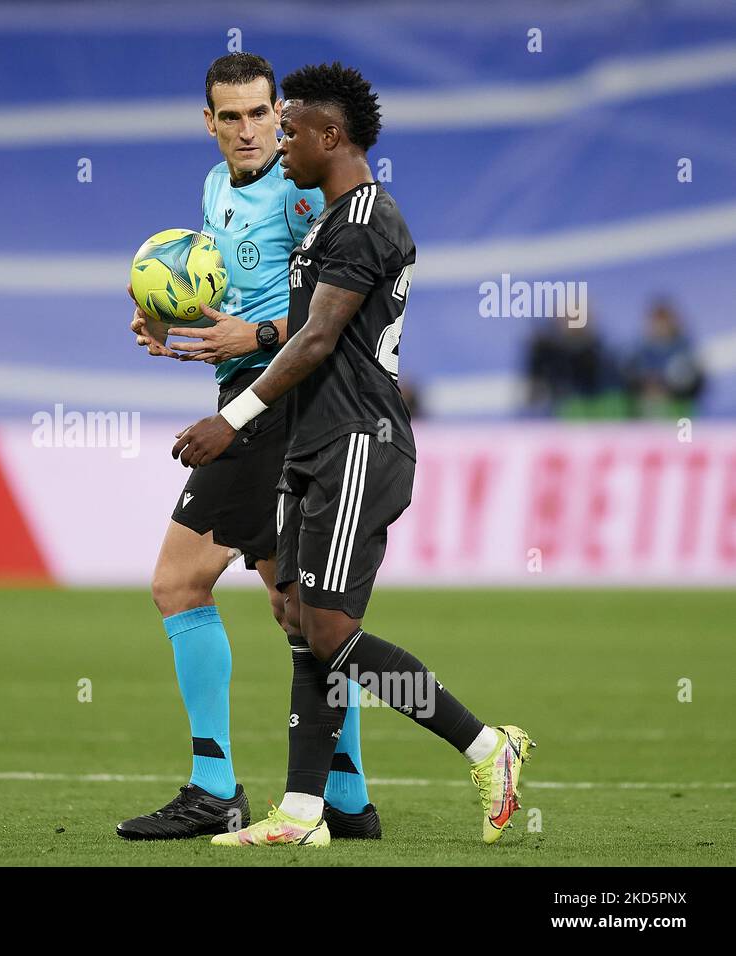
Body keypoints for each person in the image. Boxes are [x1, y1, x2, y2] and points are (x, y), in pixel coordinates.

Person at [172, 62, 534, 848]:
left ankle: (486, 745)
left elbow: (317, 338)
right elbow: (281, 324)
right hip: (314, 443)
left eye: (291, 128)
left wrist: (232, 419)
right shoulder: (330, 221)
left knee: (333, 630)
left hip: (359, 443)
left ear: (329, 136)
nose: (280, 142)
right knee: (303, 621)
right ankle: (304, 814)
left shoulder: (368, 218)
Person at [116, 53, 380, 841]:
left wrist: (257, 336)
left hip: (273, 405)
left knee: (177, 582)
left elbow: (331, 307)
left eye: (260, 113)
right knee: (299, 611)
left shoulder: (304, 191)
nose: (247, 130)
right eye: (229, 116)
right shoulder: (212, 188)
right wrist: (174, 320)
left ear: (280, 111)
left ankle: (213, 787)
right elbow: (227, 293)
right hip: (247, 398)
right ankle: (348, 797)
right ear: (209, 122)